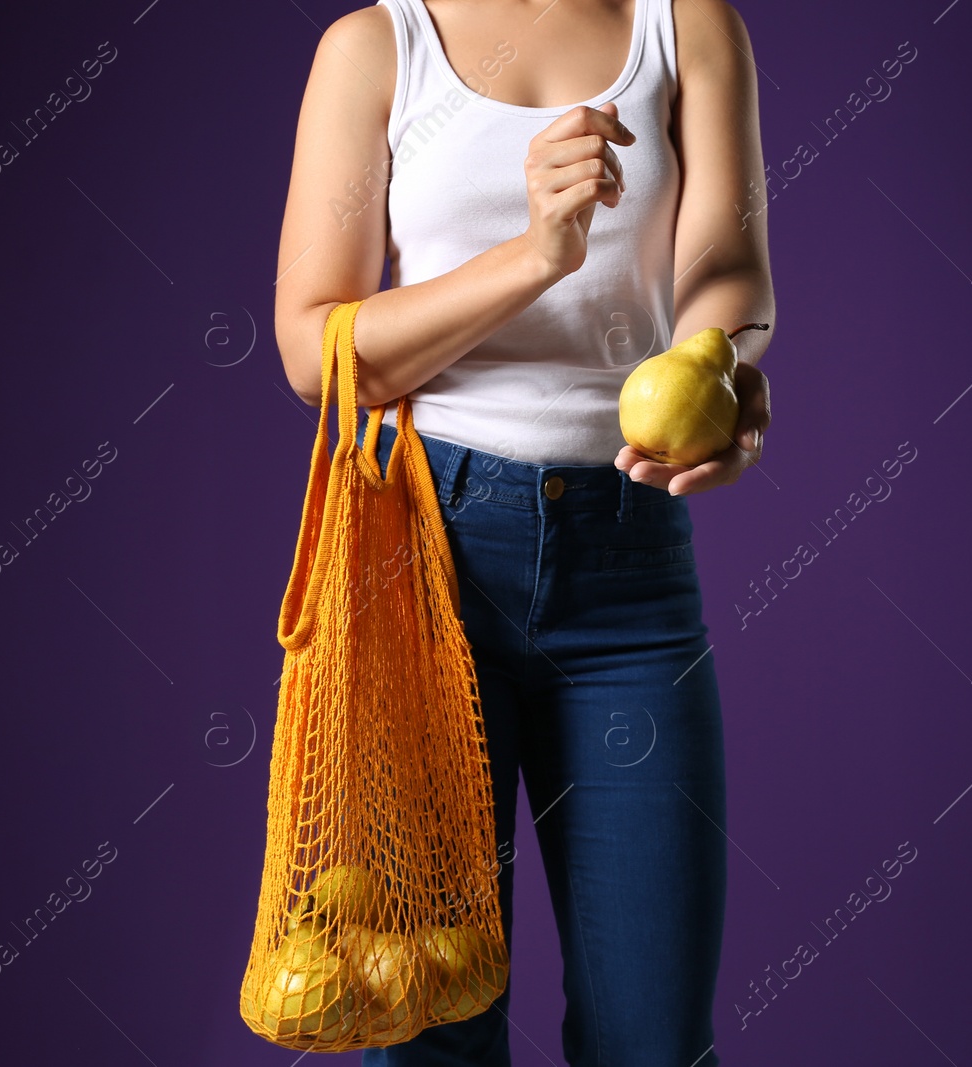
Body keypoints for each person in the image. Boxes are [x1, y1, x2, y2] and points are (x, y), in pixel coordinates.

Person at [274, 0, 774, 1063]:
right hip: (420, 567)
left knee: (653, 1040)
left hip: (628, 555)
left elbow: (727, 273)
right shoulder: (377, 47)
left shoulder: (686, 26)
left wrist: (717, 370)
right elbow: (315, 345)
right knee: (423, 1025)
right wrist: (533, 255)